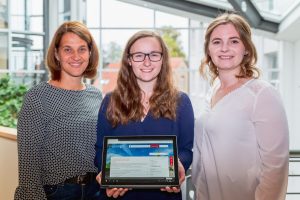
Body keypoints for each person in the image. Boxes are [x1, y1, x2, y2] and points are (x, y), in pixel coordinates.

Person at [191, 13, 289, 200]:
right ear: (209, 50)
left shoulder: (262, 94)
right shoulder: (213, 89)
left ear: (246, 48)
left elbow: (275, 168)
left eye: (234, 41)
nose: (225, 48)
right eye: (217, 41)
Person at [94, 30, 194, 200]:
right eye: (139, 55)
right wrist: (105, 174)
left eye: (154, 55)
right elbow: (100, 150)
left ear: (162, 59)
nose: (147, 62)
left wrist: (179, 165)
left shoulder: (181, 101)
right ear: (129, 60)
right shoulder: (111, 101)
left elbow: (186, 150)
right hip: (120, 196)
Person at [14, 21, 102, 200]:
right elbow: (28, 166)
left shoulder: (96, 95)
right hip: (58, 193)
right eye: (67, 49)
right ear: (56, 54)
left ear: (90, 53)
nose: (76, 56)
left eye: (82, 49)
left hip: (96, 192)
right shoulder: (37, 97)